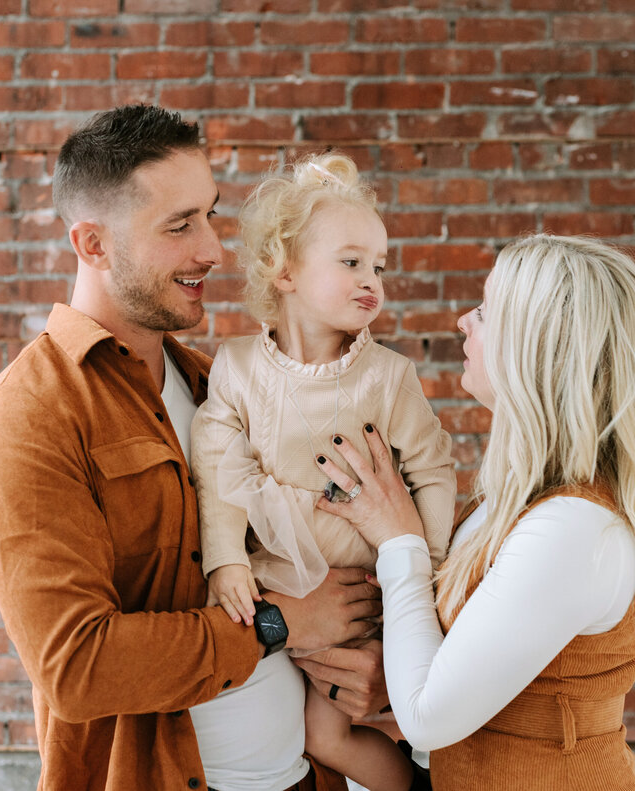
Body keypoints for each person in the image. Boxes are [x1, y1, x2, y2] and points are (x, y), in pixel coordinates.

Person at [0, 104, 385, 791]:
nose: (212, 249)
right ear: (93, 244)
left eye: (210, 215)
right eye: (180, 226)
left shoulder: (220, 385)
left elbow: (309, 558)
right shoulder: (26, 418)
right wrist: (278, 625)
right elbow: (78, 667)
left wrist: (364, 667)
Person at [312, 234, 635, 789]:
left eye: (488, 311)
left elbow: (426, 718)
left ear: (537, 346)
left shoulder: (575, 529)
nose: (464, 320)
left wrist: (399, 540)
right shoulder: (515, 501)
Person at [190, 153, 455, 791]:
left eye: (380, 267)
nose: (373, 280)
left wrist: (432, 580)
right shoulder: (239, 367)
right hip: (273, 595)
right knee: (292, 730)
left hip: (370, 599)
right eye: (351, 261)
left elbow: (434, 469)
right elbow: (218, 466)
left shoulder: (387, 378)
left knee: (333, 733)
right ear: (284, 270)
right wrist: (224, 559)